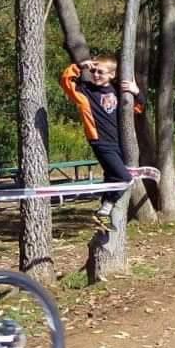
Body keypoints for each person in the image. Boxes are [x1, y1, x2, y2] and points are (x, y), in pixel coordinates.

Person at [59, 56, 141, 228]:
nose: (95, 74)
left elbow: (138, 108)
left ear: (112, 75)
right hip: (100, 142)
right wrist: (79, 67)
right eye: (93, 71)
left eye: (100, 72)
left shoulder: (119, 91)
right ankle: (104, 210)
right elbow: (66, 80)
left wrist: (136, 92)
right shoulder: (85, 90)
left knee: (111, 178)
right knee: (125, 178)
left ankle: (102, 220)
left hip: (120, 143)